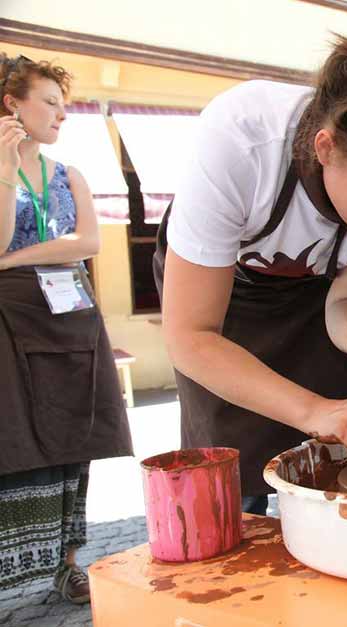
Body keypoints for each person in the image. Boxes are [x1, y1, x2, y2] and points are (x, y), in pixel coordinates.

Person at [154, 2, 347, 514]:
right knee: (235, 465)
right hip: (220, 303)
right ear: (325, 148)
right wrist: (313, 409)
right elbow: (190, 336)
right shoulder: (242, 140)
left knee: (334, 455)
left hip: (309, 299)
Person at [0, 54, 133, 603]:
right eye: (50, 103)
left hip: (69, 314)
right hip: (11, 318)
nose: (62, 115)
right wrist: (5, 170)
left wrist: (11, 261)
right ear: (12, 105)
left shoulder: (68, 173)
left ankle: (68, 564)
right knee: (14, 434)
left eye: (63, 104)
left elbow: (89, 244)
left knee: (75, 434)